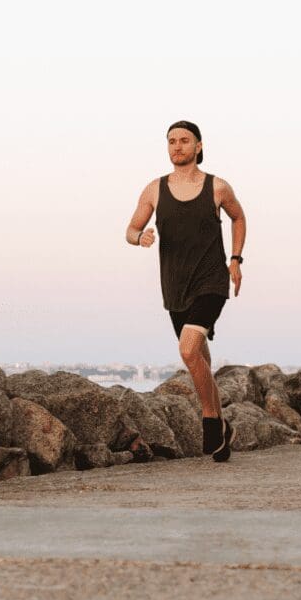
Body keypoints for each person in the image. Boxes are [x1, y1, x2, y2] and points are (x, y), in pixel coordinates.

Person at [125, 121, 247, 462]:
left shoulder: (217, 187)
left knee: (189, 349)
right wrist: (141, 237)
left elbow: (239, 218)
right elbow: (130, 230)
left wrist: (235, 259)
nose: (177, 146)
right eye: (172, 141)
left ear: (198, 146)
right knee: (200, 357)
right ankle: (224, 429)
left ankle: (211, 419)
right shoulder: (154, 189)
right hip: (175, 286)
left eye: (184, 141)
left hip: (211, 281)